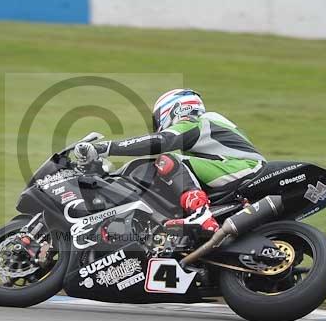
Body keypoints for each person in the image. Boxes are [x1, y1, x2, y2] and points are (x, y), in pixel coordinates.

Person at [74, 89, 266, 233]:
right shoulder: (207, 134)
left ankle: (200, 213)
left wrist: (106, 148)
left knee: (167, 160)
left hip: (244, 168)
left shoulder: (196, 121)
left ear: (174, 109)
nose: (157, 126)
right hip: (235, 170)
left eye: (158, 119)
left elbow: (162, 141)